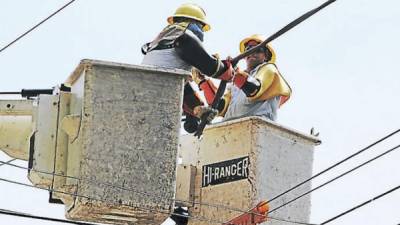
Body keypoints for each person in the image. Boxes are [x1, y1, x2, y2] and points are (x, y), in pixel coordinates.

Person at [141, 3, 233, 134]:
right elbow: (209, 65)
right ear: (193, 23)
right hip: (155, 94)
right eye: (200, 27)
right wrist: (225, 69)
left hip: (153, 93)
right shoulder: (183, 35)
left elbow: (177, 82)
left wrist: (197, 110)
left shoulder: (162, 43)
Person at [193, 34, 291, 122]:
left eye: (258, 50)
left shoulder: (269, 69)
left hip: (259, 124)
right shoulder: (237, 80)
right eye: (248, 50)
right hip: (233, 126)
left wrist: (232, 73)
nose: (252, 53)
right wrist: (204, 83)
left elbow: (254, 89)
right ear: (244, 56)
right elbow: (222, 107)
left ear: (266, 56)